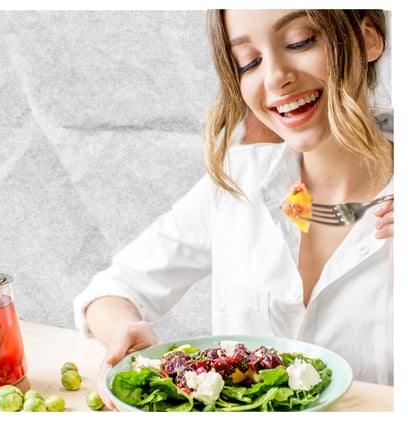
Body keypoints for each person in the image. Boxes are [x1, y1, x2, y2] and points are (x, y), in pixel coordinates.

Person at [72, 10, 394, 409]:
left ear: (367, 39)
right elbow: (112, 290)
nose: (276, 78)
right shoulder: (238, 181)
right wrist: (124, 332)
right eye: (249, 62)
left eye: (300, 41)